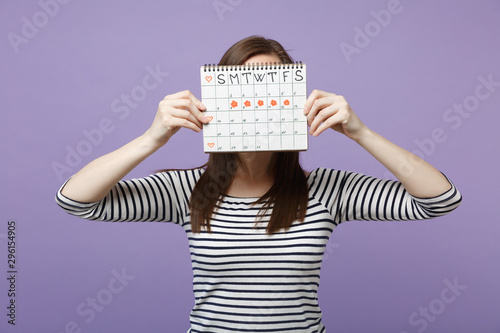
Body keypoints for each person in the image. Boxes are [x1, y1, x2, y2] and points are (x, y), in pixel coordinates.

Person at [55, 36, 462, 332]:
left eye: (272, 84)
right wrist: (151, 139)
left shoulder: (327, 190)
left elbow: (440, 199)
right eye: (243, 85)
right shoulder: (187, 192)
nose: (257, 99)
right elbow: (75, 200)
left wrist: (361, 132)